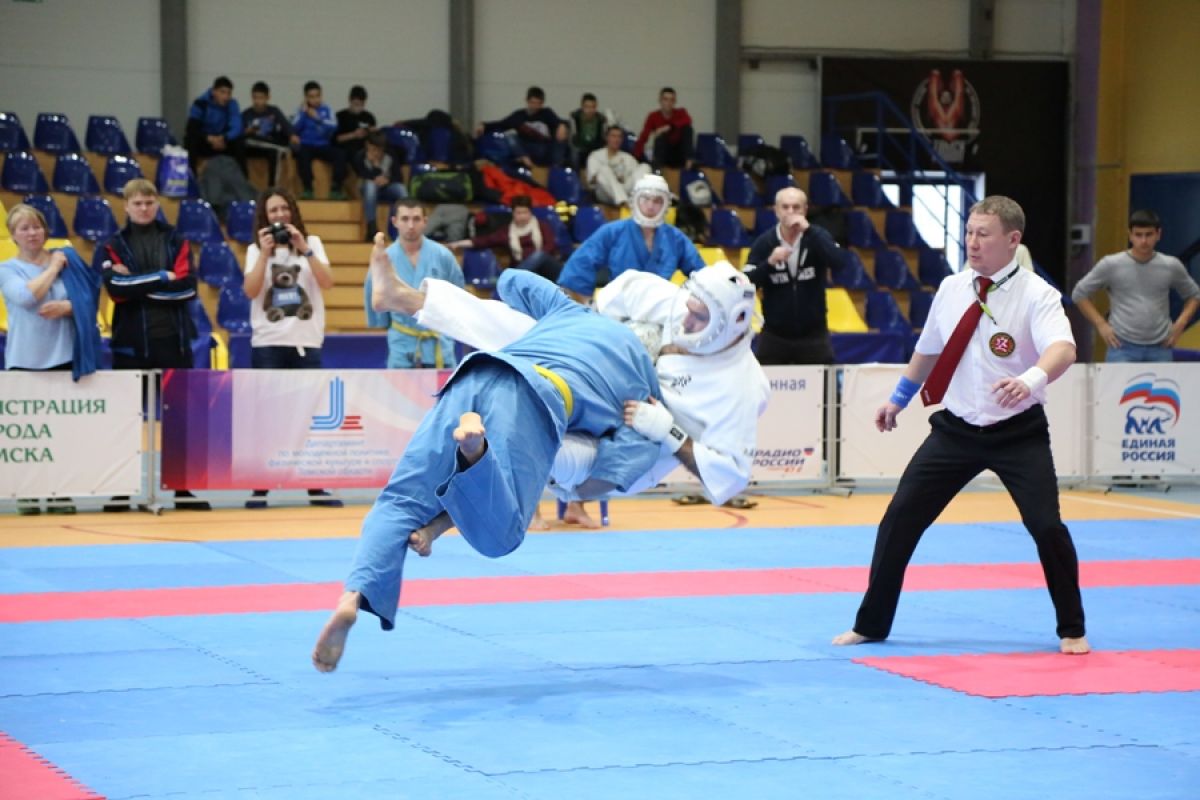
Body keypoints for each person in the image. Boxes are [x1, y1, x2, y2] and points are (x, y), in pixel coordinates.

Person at [312, 264, 665, 672]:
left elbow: (512, 280)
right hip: (532, 399)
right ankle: (476, 451)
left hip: (476, 372)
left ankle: (352, 596)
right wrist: (579, 476)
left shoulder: (575, 313)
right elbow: (614, 469)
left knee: (399, 502)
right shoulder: (644, 384)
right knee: (503, 533)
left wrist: (557, 309)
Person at [831, 196, 1090, 655]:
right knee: (898, 520)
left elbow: (1063, 349)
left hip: (1018, 432)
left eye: (983, 234)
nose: (972, 241)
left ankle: (1072, 628)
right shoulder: (952, 289)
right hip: (955, 430)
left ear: (1012, 240)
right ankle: (871, 624)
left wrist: (1029, 380)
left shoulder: (1037, 294)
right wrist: (897, 400)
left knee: (1047, 527)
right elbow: (928, 350)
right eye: (969, 231)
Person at [399, 259, 770, 528]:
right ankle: (412, 300)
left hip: (634, 447)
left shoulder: (740, 386)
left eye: (699, 319)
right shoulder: (670, 303)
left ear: (730, 325)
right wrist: (601, 336)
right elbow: (619, 292)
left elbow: (731, 476)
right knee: (532, 333)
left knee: (551, 447)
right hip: (604, 382)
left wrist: (669, 431)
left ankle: (457, 488)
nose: (686, 321)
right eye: (689, 308)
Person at [93, 179, 209, 511]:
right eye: (137, 203)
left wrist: (136, 284)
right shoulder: (111, 244)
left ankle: (183, 489)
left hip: (174, 343)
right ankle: (121, 490)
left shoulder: (177, 240)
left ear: (157, 204)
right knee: (126, 420)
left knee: (179, 420)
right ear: (126, 206)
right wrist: (161, 276)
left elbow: (187, 289)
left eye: (149, 202)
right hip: (129, 345)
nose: (144, 208)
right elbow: (116, 290)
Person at [241, 188, 342, 510]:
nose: (280, 215)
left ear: (293, 212)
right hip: (268, 344)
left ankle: (314, 485)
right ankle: (261, 485)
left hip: (306, 343)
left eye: (284, 209)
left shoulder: (312, 244)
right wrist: (265, 255)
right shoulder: (255, 249)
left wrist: (304, 249)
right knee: (267, 418)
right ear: (265, 217)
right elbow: (250, 290)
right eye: (273, 211)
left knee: (309, 417)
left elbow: (328, 282)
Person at [1, 204, 101, 516]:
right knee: (30, 434)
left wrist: (69, 307)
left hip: (63, 356)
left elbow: (88, 298)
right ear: (13, 235)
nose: (32, 233)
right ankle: (29, 493)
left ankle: (61, 493)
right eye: (24, 229)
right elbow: (26, 297)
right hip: (25, 360)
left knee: (62, 432)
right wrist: (54, 268)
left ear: (45, 230)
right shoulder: (8, 269)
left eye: (37, 227)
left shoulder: (69, 260)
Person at [1071, 209, 1200, 362]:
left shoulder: (1171, 266)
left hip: (1161, 346)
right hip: (1122, 347)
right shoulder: (1111, 264)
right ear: (1130, 235)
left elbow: (1194, 295)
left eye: (1149, 235)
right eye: (1138, 235)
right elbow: (1079, 294)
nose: (1143, 241)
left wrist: (1180, 324)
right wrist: (1101, 325)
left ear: (1158, 234)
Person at [557, 174, 705, 300]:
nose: (650, 206)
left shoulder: (675, 238)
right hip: (619, 308)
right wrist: (586, 304)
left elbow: (702, 275)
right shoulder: (613, 231)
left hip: (660, 308)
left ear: (666, 205)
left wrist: (686, 298)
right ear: (635, 200)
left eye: (657, 201)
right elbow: (579, 265)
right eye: (645, 199)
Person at [742, 187, 842, 364]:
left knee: (824, 381)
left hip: (814, 335)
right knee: (764, 380)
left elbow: (840, 263)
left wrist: (810, 231)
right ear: (776, 210)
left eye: (796, 207)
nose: (791, 212)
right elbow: (746, 284)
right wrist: (769, 264)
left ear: (805, 210)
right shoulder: (765, 243)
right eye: (785, 207)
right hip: (775, 336)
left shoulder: (817, 237)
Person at [363, 199, 463, 369]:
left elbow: (458, 297)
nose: (411, 225)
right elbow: (374, 296)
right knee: (399, 388)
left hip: (439, 343)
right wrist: (381, 322)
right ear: (394, 221)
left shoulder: (443, 255)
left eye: (416, 219)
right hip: (402, 345)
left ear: (425, 221)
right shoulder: (385, 258)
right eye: (405, 219)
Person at [447, 194, 562, 282]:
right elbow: (485, 241)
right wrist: (458, 243)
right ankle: (515, 277)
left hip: (547, 269)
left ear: (530, 212)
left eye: (525, 212)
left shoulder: (542, 226)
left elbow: (550, 246)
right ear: (513, 213)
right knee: (528, 272)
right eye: (519, 213)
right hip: (528, 274)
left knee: (539, 255)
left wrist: (532, 260)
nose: (522, 216)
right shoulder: (507, 231)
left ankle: (512, 278)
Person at [476, 86, 569, 168]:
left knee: (561, 139)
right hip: (526, 148)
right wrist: (484, 125)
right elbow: (502, 124)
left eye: (538, 103)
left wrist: (562, 125)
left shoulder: (547, 113)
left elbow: (560, 122)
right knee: (510, 136)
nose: (535, 106)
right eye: (532, 103)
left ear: (542, 103)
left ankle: (556, 167)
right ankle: (524, 159)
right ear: (527, 101)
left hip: (543, 148)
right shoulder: (519, 116)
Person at [290, 81, 347, 200]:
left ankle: (336, 189)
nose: (315, 99)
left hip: (323, 145)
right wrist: (303, 113)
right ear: (306, 98)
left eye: (317, 96)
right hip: (306, 145)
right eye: (311, 97)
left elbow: (334, 126)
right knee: (301, 154)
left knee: (340, 154)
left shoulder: (327, 109)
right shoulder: (301, 111)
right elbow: (294, 127)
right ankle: (308, 188)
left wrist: (317, 118)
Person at [184, 76, 246, 175]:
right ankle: (192, 176)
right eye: (222, 92)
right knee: (190, 139)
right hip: (205, 141)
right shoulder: (200, 103)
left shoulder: (232, 104)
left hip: (223, 141)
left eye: (229, 93)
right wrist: (209, 138)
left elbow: (237, 127)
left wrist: (224, 138)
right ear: (214, 92)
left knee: (239, 141)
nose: (226, 97)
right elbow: (191, 128)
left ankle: (243, 179)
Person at [352, 131, 407, 241]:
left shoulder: (390, 155)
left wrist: (388, 180)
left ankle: (405, 224)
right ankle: (371, 228)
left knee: (401, 189)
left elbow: (398, 177)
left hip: (387, 187)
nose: (376, 152)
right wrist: (376, 166)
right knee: (370, 185)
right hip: (368, 189)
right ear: (367, 145)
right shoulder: (360, 157)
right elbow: (363, 175)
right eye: (373, 149)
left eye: (379, 150)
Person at [586, 125, 652, 207]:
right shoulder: (595, 156)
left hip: (624, 189)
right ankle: (623, 203)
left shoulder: (628, 157)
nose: (616, 139)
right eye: (613, 136)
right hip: (605, 192)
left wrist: (622, 179)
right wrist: (612, 178)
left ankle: (639, 201)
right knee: (604, 170)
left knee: (645, 166)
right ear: (607, 138)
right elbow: (592, 181)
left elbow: (637, 177)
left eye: (619, 137)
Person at [241, 81, 293, 186]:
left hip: (268, 145)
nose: (257, 101)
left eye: (261, 98)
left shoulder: (274, 111)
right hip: (252, 146)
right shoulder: (246, 114)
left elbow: (286, 125)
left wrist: (292, 135)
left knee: (275, 152)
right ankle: (244, 185)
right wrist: (247, 131)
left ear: (268, 98)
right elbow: (239, 132)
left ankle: (272, 187)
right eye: (255, 98)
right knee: (244, 143)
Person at [633, 87, 694, 169]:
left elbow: (688, 120)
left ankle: (688, 164)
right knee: (660, 137)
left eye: (671, 100)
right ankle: (658, 170)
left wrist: (669, 127)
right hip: (664, 153)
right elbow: (643, 137)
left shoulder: (681, 112)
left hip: (679, 153)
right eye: (665, 99)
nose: (668, 103)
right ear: (660, 101)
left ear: (675, 102)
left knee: (688, 129)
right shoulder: (653, 116)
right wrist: (635, 157)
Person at [568, 92, 616, 168]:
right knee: (574, 154)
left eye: (593, 107)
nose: (590, 110)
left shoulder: (601, 119)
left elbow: (603, 138)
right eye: (587, 107)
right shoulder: (575, 118)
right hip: (580, 147)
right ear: (582, 106)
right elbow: (572, 138)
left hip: (595, 147)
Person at [335, 85, 377, 161]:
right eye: (356, 104)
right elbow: (336, 139)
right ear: (349, 100)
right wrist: (354, 135)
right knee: (354, 153)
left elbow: (376, 138)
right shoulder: (340, 116)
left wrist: (372, 132)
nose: (359, 108)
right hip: (347, 148)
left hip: (366, 148)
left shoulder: (369, 117)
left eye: (361, 105)